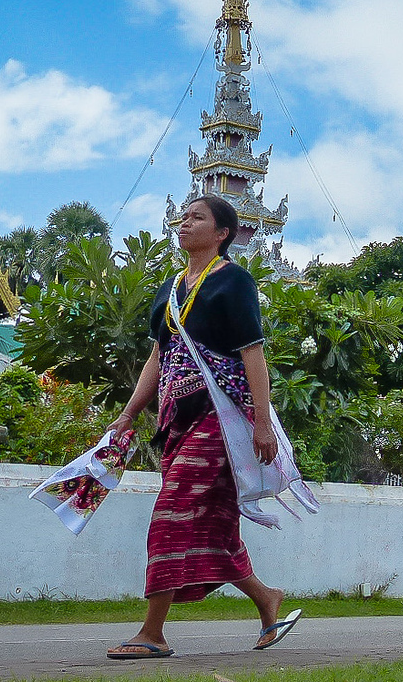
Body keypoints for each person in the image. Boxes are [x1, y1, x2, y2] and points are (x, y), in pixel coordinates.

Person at [105, 195, 300, 658]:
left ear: (223, 234)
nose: (184, 223)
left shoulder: (234, 282)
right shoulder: (170, 287)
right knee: (212, 526)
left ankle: (152, 633)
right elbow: (159, 356)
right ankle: (266, 598)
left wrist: (262, 422)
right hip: (178, 417)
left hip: (222, 417)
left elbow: (253, 353)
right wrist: (130, 412)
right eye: (183, 216)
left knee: (171, 512)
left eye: (197, 218)